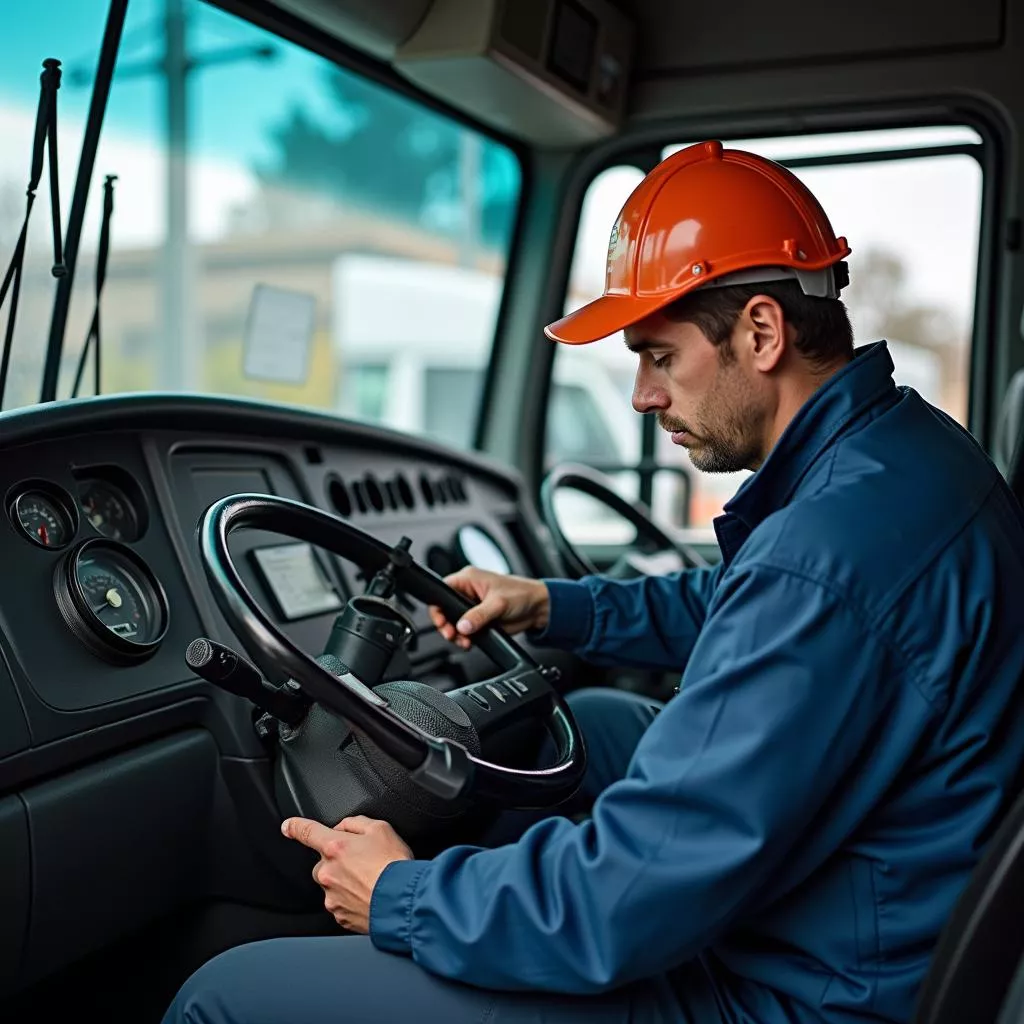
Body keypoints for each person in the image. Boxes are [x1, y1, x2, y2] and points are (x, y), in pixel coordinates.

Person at [163, 141, 1024, 1024]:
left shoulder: (823, 555)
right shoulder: (906, 458)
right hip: (875, 914)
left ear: (762, 332)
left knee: (223, 997)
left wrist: (402, 894)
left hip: (792, 993)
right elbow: (744, 605)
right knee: (605, 724)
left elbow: (625, 900)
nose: (644, 396)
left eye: (659, 356)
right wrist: (553, 605)